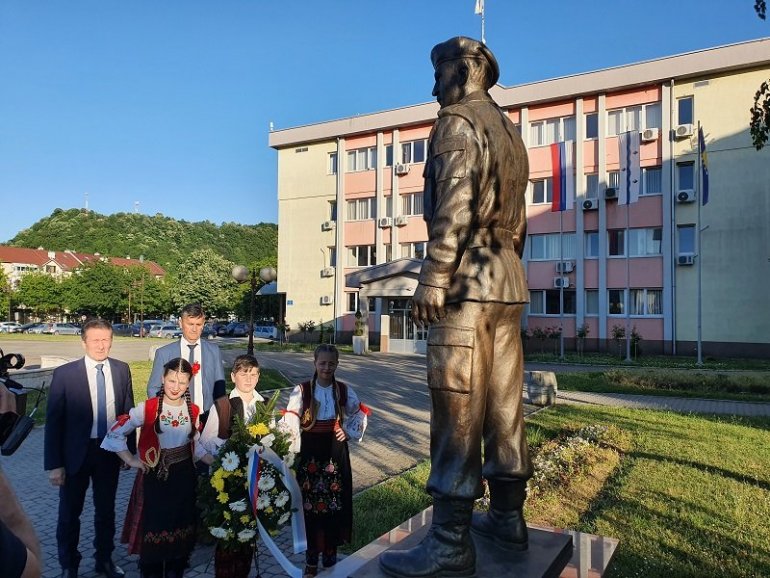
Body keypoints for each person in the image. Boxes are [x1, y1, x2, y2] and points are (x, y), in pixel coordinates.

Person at [379, 37, 533, 578]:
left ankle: (448, 541)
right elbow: (519, 221)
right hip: (506, 280)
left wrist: (434, 277)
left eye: (440, 74)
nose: (433, 88)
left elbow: (455, 206)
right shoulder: (509, 132)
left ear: (465, 71)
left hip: (467, 283)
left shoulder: (457, 123)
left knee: (457, 410)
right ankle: (508, 518)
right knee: (504, 407)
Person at [102, 358, 214, 578]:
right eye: (172, 380)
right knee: (154, 534)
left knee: (181, 537)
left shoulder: (193, 410)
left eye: (182, 382)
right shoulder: (148, 408)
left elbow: (196, 446)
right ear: (163, 379)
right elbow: (115, 432)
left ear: (189, 383)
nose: (176, 387)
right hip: (155, 479)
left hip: (184, 480)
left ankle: (175, 571)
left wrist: (219, 463)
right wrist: (131, 459)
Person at [44, 318, 135, 578]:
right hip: (75, 456)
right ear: (84, 342)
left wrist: (128, 452)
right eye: (95, 340)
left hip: (109, 452)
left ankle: (104, 560)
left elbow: (127, 413)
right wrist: (55, 465)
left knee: (106, 512)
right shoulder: (65, 374)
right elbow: (54, 422)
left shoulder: (121, 369)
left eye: (106, 339)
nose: (101, 345)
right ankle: (69, 565)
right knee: (69, 514)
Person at [281, 345, 368, 578]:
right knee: (309, 506)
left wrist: (348, 431)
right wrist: (291, 450)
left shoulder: (342, 390)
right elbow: (291, 420)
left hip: (335, 452)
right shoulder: (302, 391)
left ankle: (330, 558)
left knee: (334, 505)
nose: (327, 368)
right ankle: (311, 561)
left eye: (331, 363)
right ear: (314, 363)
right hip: (310, 452)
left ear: (337, 364)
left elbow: (360, 411)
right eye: (322, 363)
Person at [147, 303, 226, 421]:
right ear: (180, 323)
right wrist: (164, 414)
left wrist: (219, 417)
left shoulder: (213, 351)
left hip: (207, 418)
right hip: (175, 418)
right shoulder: (164, 353)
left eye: (198, 324)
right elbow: (154, 388)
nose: (194, 329)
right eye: (190, 324)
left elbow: (220, 387)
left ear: (203, 324)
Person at [200, 353, 266, 456]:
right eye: (243, 375)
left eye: (253, 375)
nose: (248, 380)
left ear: (258, 377)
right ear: (233, 377)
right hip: (229, 462)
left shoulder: (265, 404)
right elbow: (205, 442)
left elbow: (272, 436)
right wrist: (223, 446)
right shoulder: (221, 406)